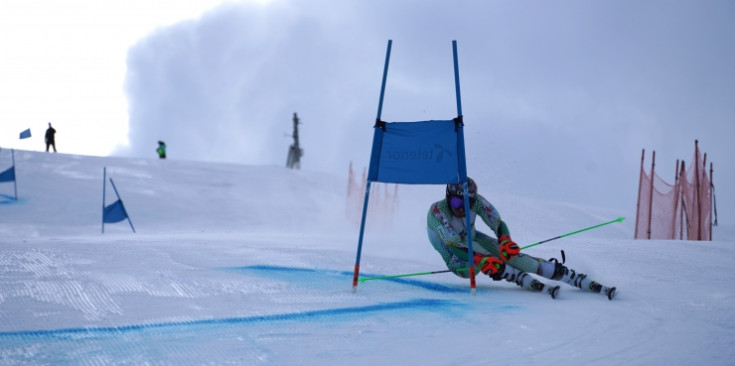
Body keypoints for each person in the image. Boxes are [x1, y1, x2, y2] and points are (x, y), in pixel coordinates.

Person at [426, 177, 616, 300]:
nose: (461, 208)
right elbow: (454, 246)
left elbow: (498, 223)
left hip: (472, 239)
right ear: (448, 197)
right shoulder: (437, 212)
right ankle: (512, 274)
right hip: (455, 255)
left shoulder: (477, 202)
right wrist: (481, 260)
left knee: (509, 255)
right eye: (457, 202)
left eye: (467, 203)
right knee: (482, 262)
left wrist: (505, 241)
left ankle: (563, 274)